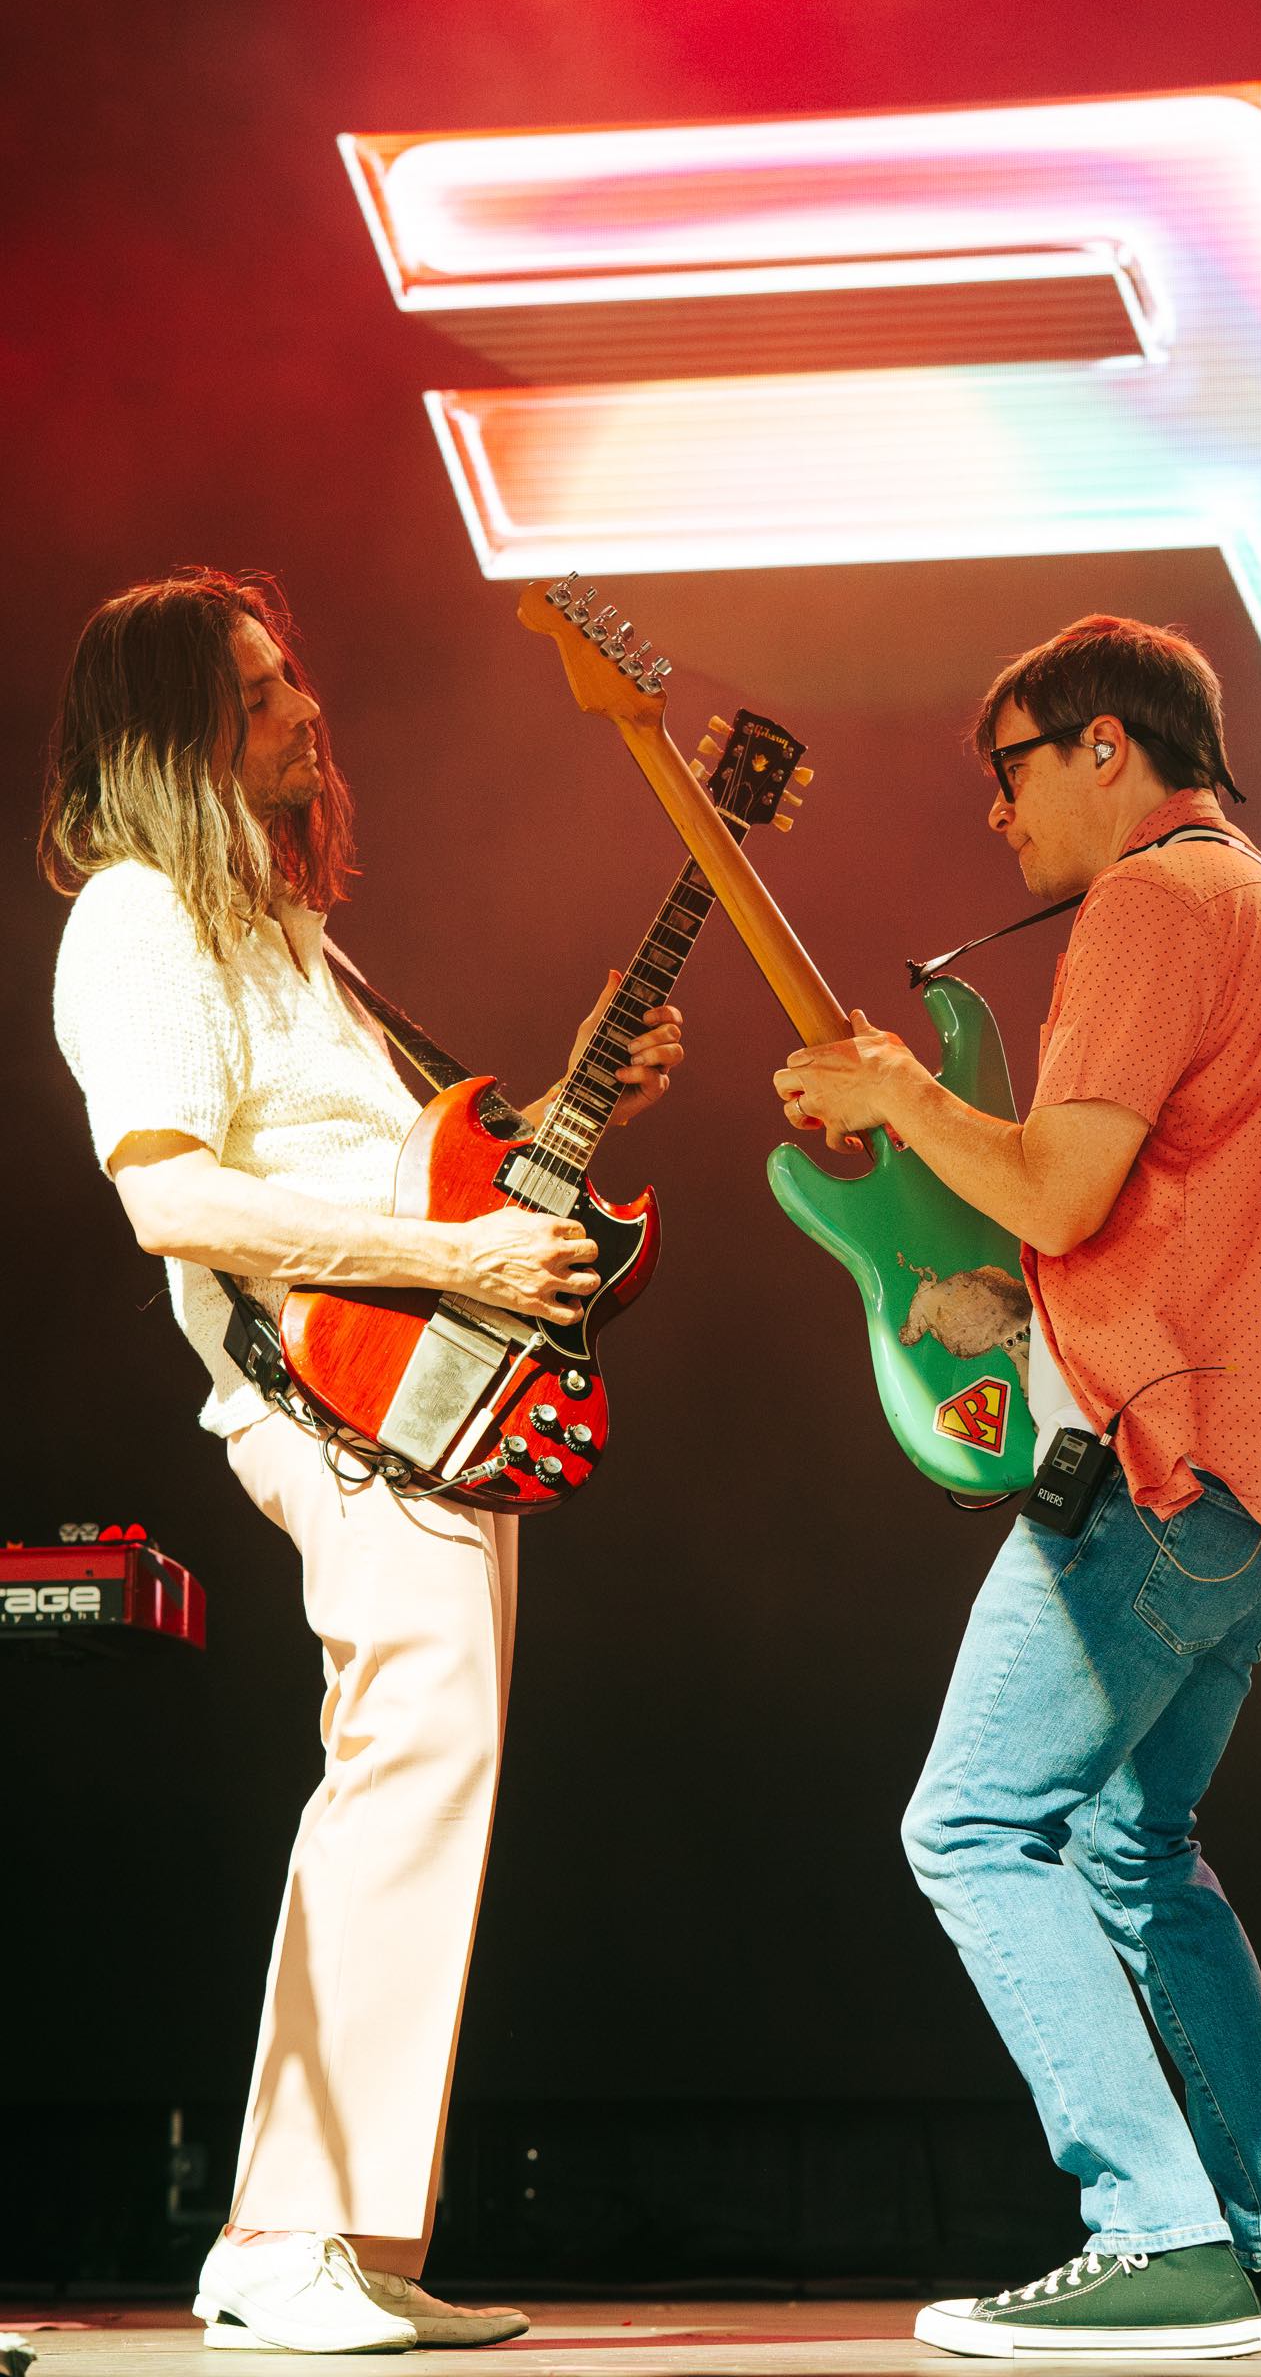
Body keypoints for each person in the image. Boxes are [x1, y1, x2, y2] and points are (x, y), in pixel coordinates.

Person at [44, 569, 685, 2356]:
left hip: (420, 1391)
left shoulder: (280, 928)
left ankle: (350, 2237)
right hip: (332, 1401)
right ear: (175, 735)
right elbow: (173, 1197)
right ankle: (278, 2241)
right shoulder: (139, 915)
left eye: (290, 672)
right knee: (407, 1762)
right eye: (257, 691)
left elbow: (393, 1166)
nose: (302, 707)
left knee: (428, 1769)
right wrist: (460, 1257)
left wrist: (568, 1101)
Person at [774, 615, 1261, 2359]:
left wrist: (896, 1089)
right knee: (1130, 1840)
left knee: (969, 1825)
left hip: (1168, 1477)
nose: (997, 812)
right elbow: (1167, 1219)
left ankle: (1158, 2236)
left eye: (1011, 768)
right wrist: (1004, 1304)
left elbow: (1058, 1189)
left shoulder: (1157, 901)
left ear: (1110, 746)